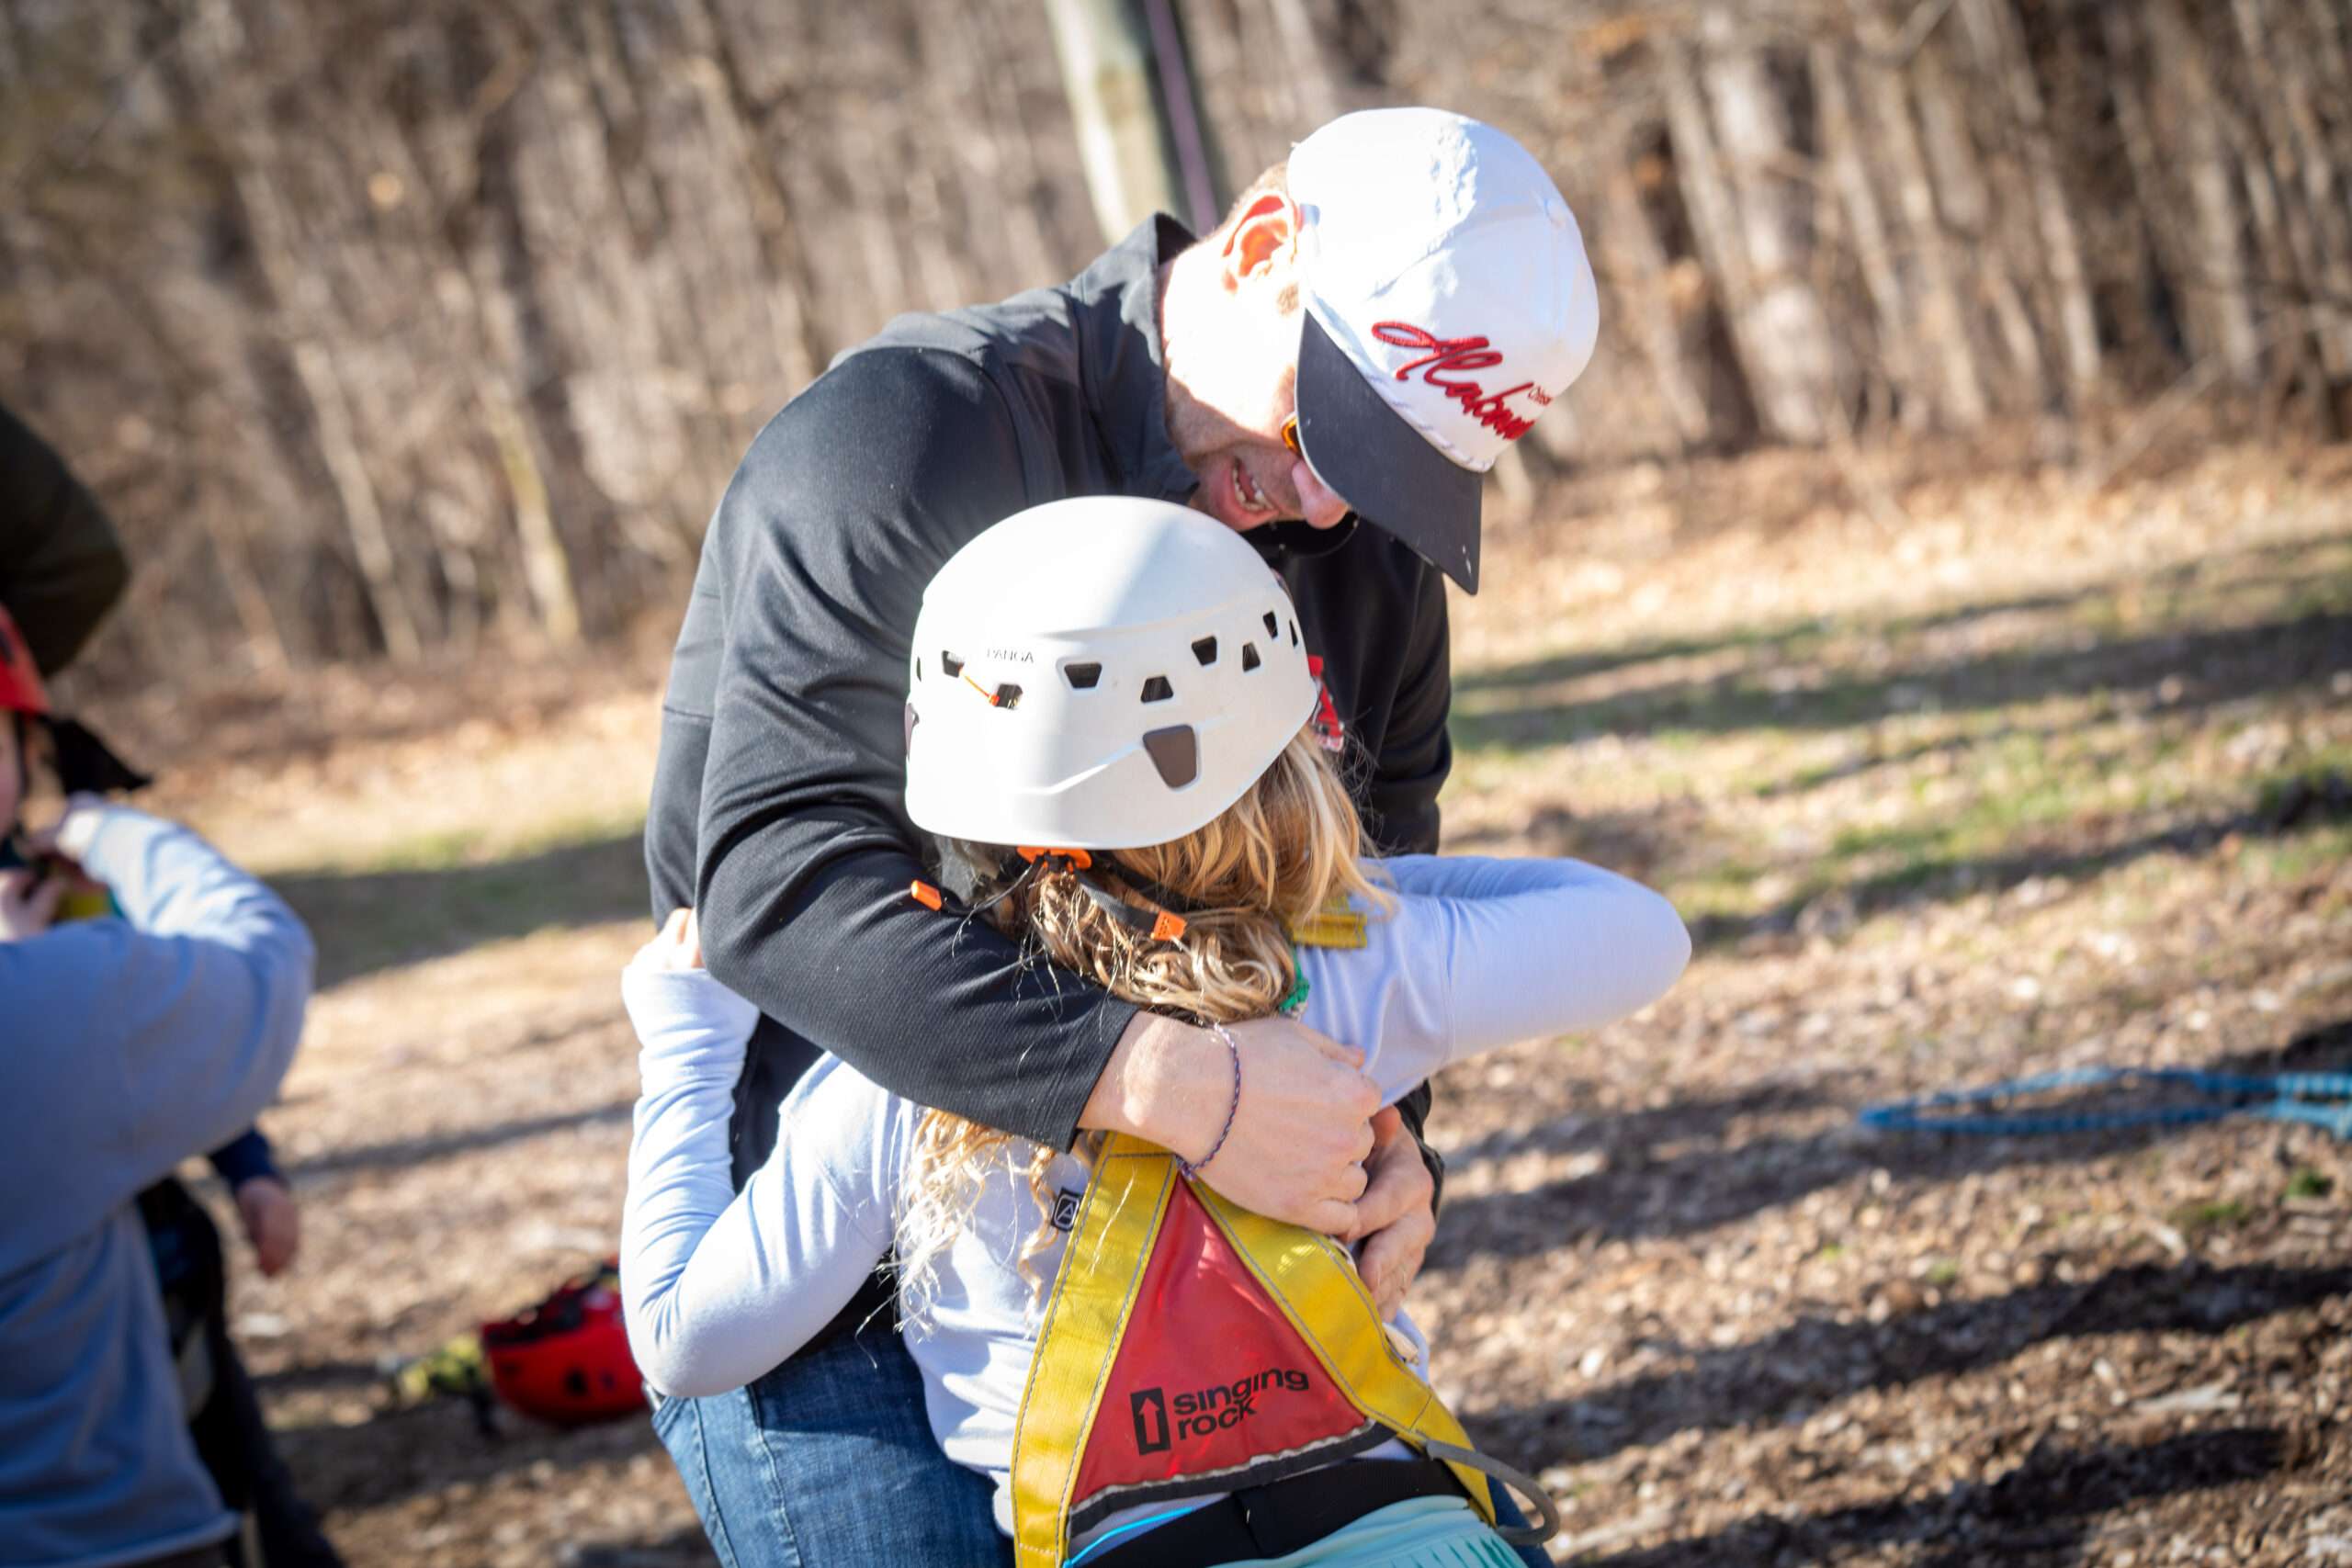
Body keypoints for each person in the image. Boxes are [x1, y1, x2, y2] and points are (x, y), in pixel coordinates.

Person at [643, 107, 1598, 1563]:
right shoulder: (906, 437)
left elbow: (1365, 884)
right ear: (1262, 248)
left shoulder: (1361, 545)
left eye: (1391, 465)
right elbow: (775, 886)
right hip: (829, 1232)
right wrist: (1166, 1079)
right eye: (1324, 428)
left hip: (1165, 1233)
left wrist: (1386, 1135)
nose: (1326, 500)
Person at [622, 502, 1687, 1565]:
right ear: (1286, 741)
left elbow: (686, 1342)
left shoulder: (911, 1068)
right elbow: (1641, 934)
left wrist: (686, 1044)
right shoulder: (1361, 971)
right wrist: (1355, 893)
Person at [0, 759, 315, 1567]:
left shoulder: (48, 910)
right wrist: (110, 834)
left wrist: (250, 1165)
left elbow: (151, 1062)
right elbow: (252, 964)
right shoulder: (51, 990)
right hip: (103, 1525)